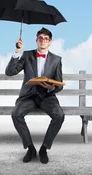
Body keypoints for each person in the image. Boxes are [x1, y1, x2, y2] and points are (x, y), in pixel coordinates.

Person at [5, 27, 65, 164]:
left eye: (46, 38)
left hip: (47, 96)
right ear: (36, 40)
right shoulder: (26, 55)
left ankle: (44, 148)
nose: (43, 40)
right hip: (28, 96)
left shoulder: (56, 60)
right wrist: (17, 51)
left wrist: (52, 87)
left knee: (59, 116)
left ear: (50, 42)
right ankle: (30, 148)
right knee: (16, 114)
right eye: (40, 38)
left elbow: (59, 84)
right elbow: (10, 72)